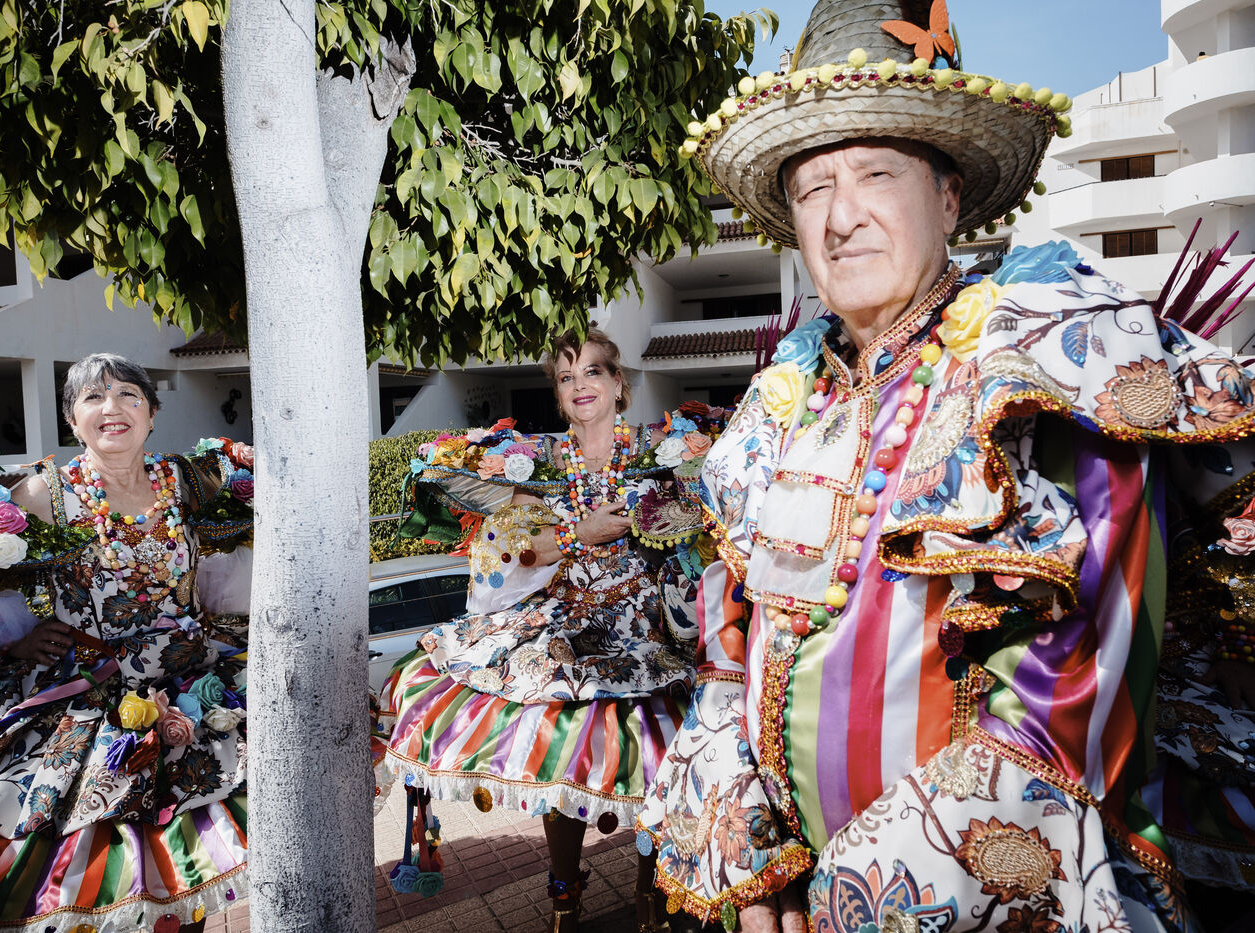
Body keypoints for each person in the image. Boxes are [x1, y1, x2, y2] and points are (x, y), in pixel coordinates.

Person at [637, 2, 1255, 932]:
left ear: (950, 196)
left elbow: (1070, 703)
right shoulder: (776, 406)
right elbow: (727, 653)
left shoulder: (1047, 370)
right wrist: (753, 866)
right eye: (812, 188)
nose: (841, 217)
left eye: (876, 173)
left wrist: (852, 904)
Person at [0, 353, 252, 933]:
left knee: (191, 860)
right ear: (71, 420)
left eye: (129, 394)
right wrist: (15, 641)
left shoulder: (192, 481)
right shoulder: (42, 494)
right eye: (93, 397)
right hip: (83, 693)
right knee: (93, 861)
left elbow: (253, 541)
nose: (112, 407)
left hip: (196, 681)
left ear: (152, 412)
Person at [379, 329, 711, 931]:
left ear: (619, 383)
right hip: (566, 631)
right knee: (562, 763)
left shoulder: (663, 453)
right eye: (566, 377)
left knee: (659, 765)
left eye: (593, 372)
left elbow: (698, 533)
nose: (580, 385)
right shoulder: (537, 463)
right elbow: (511, 555)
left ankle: (652, 902)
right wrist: (579, 535)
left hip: (647, 632)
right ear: (558, 396)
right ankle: (565, 901)